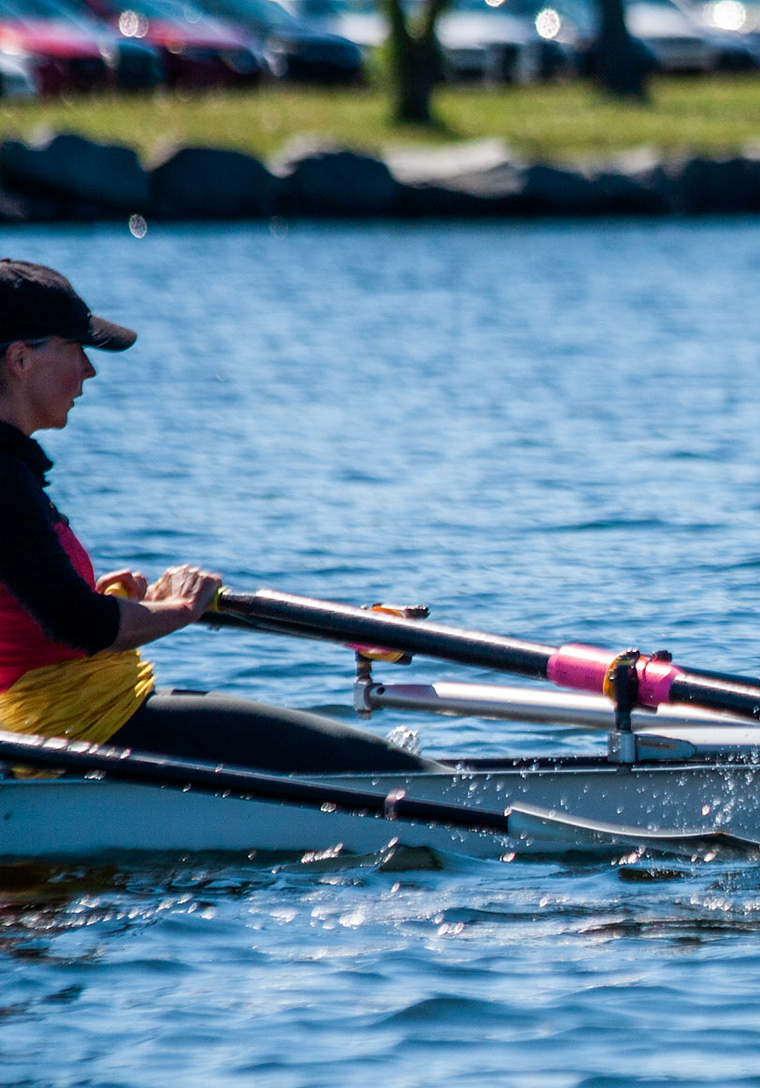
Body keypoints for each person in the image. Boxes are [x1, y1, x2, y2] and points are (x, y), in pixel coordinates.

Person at [0, 259, 435, 772]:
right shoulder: (4, 476)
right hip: (83, 727)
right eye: (77, 348)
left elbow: (44, 609)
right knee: (371, 763)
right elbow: (77, 623)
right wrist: (182, 608)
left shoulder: (12, 469)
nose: (90, 370)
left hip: (63, 723)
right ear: (20, 359)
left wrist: (120, 603)